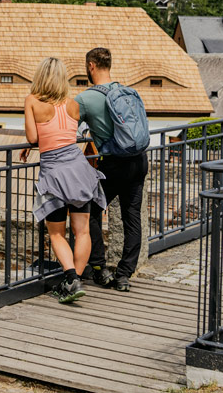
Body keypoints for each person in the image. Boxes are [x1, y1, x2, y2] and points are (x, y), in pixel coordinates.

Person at [20, 57, 106, 304]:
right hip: (79, 169)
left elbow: (33, 137)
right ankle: (74, 281)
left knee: (56, 233)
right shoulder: (73, 105)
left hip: (54, 173)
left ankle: (71, 277)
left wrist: (29, 146)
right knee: (82, 231)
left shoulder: (32, 101)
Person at [75, 47, 149, 292]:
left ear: (91, 66)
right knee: (132, 217)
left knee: (91, 210)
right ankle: (124, 274)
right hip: (139, 160)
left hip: (113, 164)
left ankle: (99, 268)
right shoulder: (126, 91)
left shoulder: (85, 99)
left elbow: (66, 129)